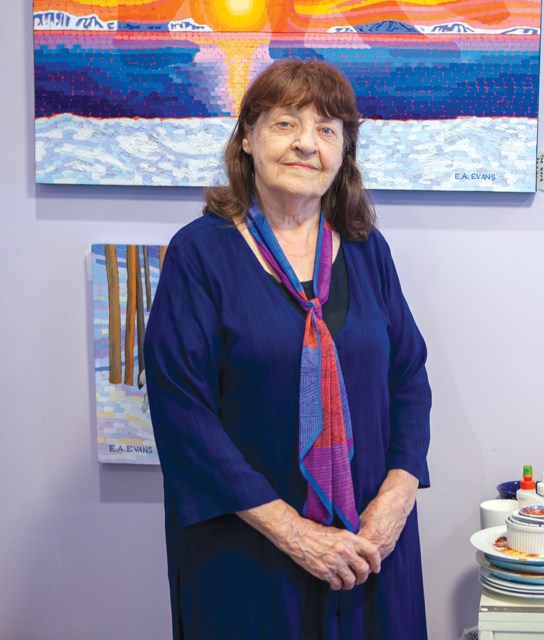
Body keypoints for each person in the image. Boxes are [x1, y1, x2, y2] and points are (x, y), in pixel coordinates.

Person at [144, 59, 432, 639]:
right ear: (247, 138)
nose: (307, 144)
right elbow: (182, 414)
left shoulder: (365, 248)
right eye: (285, 124)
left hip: (368, 545)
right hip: (248, 550)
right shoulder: (200, 254)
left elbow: (409, 378)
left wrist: (397, 497)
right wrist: (294, 534)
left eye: (327, 130)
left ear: (343, 152)